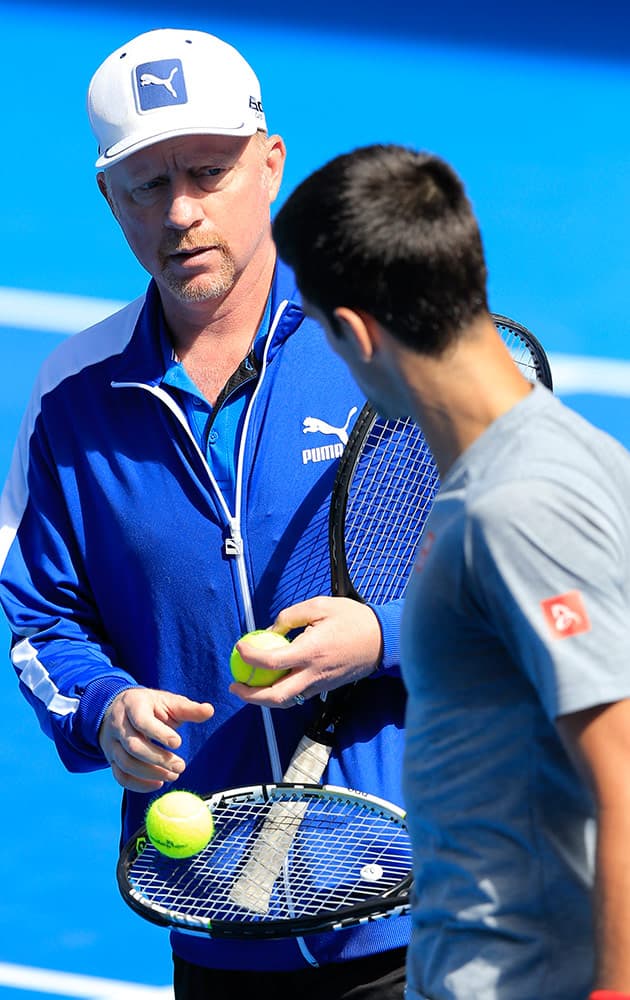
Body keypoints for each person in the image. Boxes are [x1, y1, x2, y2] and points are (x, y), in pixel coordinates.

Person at [0, 31, 411, 1000]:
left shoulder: (391, 342)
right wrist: (105, 709)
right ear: (110, 199)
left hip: (420, 892)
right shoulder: (72, 397)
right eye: (146, 184)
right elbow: (41, 617)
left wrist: (384, 632)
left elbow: (535, 580)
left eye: (208, 172)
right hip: (224, 900)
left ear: (270, 166)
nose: (181, 212)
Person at [271, 142, 630, 1000]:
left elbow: (624, 773)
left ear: (355, 332)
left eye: (323, 332)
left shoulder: (519, 507)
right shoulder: (550, 462)